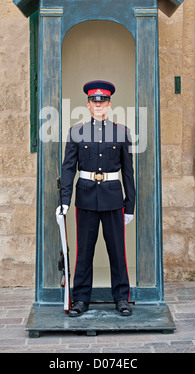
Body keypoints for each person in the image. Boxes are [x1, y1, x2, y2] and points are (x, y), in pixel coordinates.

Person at [56, 80, 135, 317]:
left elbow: (128, 172)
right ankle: (80, 299)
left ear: (109, 104)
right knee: (84, 252)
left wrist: (129, 205)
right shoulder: (76, 132)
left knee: (117, 252)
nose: (98, 106)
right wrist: (64, 201)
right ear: (88, 105)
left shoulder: (121, 133)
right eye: (94, 102)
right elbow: (68, 169)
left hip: (112, 198)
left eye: (103, 102)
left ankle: (121, 298)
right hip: (86, 197)